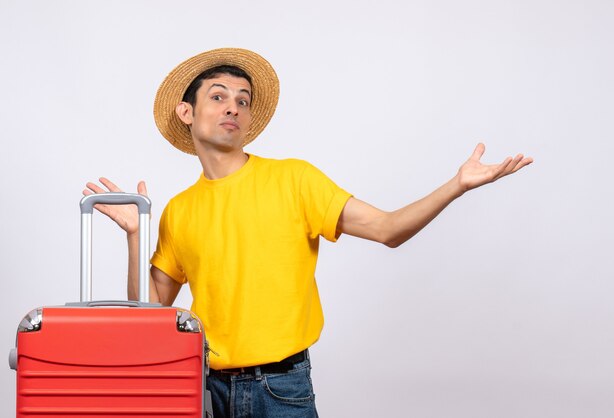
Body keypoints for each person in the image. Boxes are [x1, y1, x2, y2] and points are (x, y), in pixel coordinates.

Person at [84, 48, 533, 418]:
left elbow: (388, 229)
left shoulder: (295, 180)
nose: (233, 108)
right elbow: (149, 319)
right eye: (219, 97)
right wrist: (134, 237)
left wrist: (457, 185)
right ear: (187, 111)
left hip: (282, 389)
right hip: (205, 392)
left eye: (242, 100)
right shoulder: (179, 210)